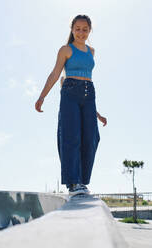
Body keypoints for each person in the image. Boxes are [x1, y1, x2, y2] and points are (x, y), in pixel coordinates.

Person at [35, 15, 107, 196]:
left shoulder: (91, 51)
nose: (81, 32)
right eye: (77, 28)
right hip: (70, 92)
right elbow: (55, 74)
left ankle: (82, 181)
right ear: (72, 29)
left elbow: (88, 79)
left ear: (90, 30)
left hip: (89, 93)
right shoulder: (66, 49)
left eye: (85, 29)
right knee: (71, 136)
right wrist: (42, 96)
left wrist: (96, 113)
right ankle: (73, 183)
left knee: (91, 138)